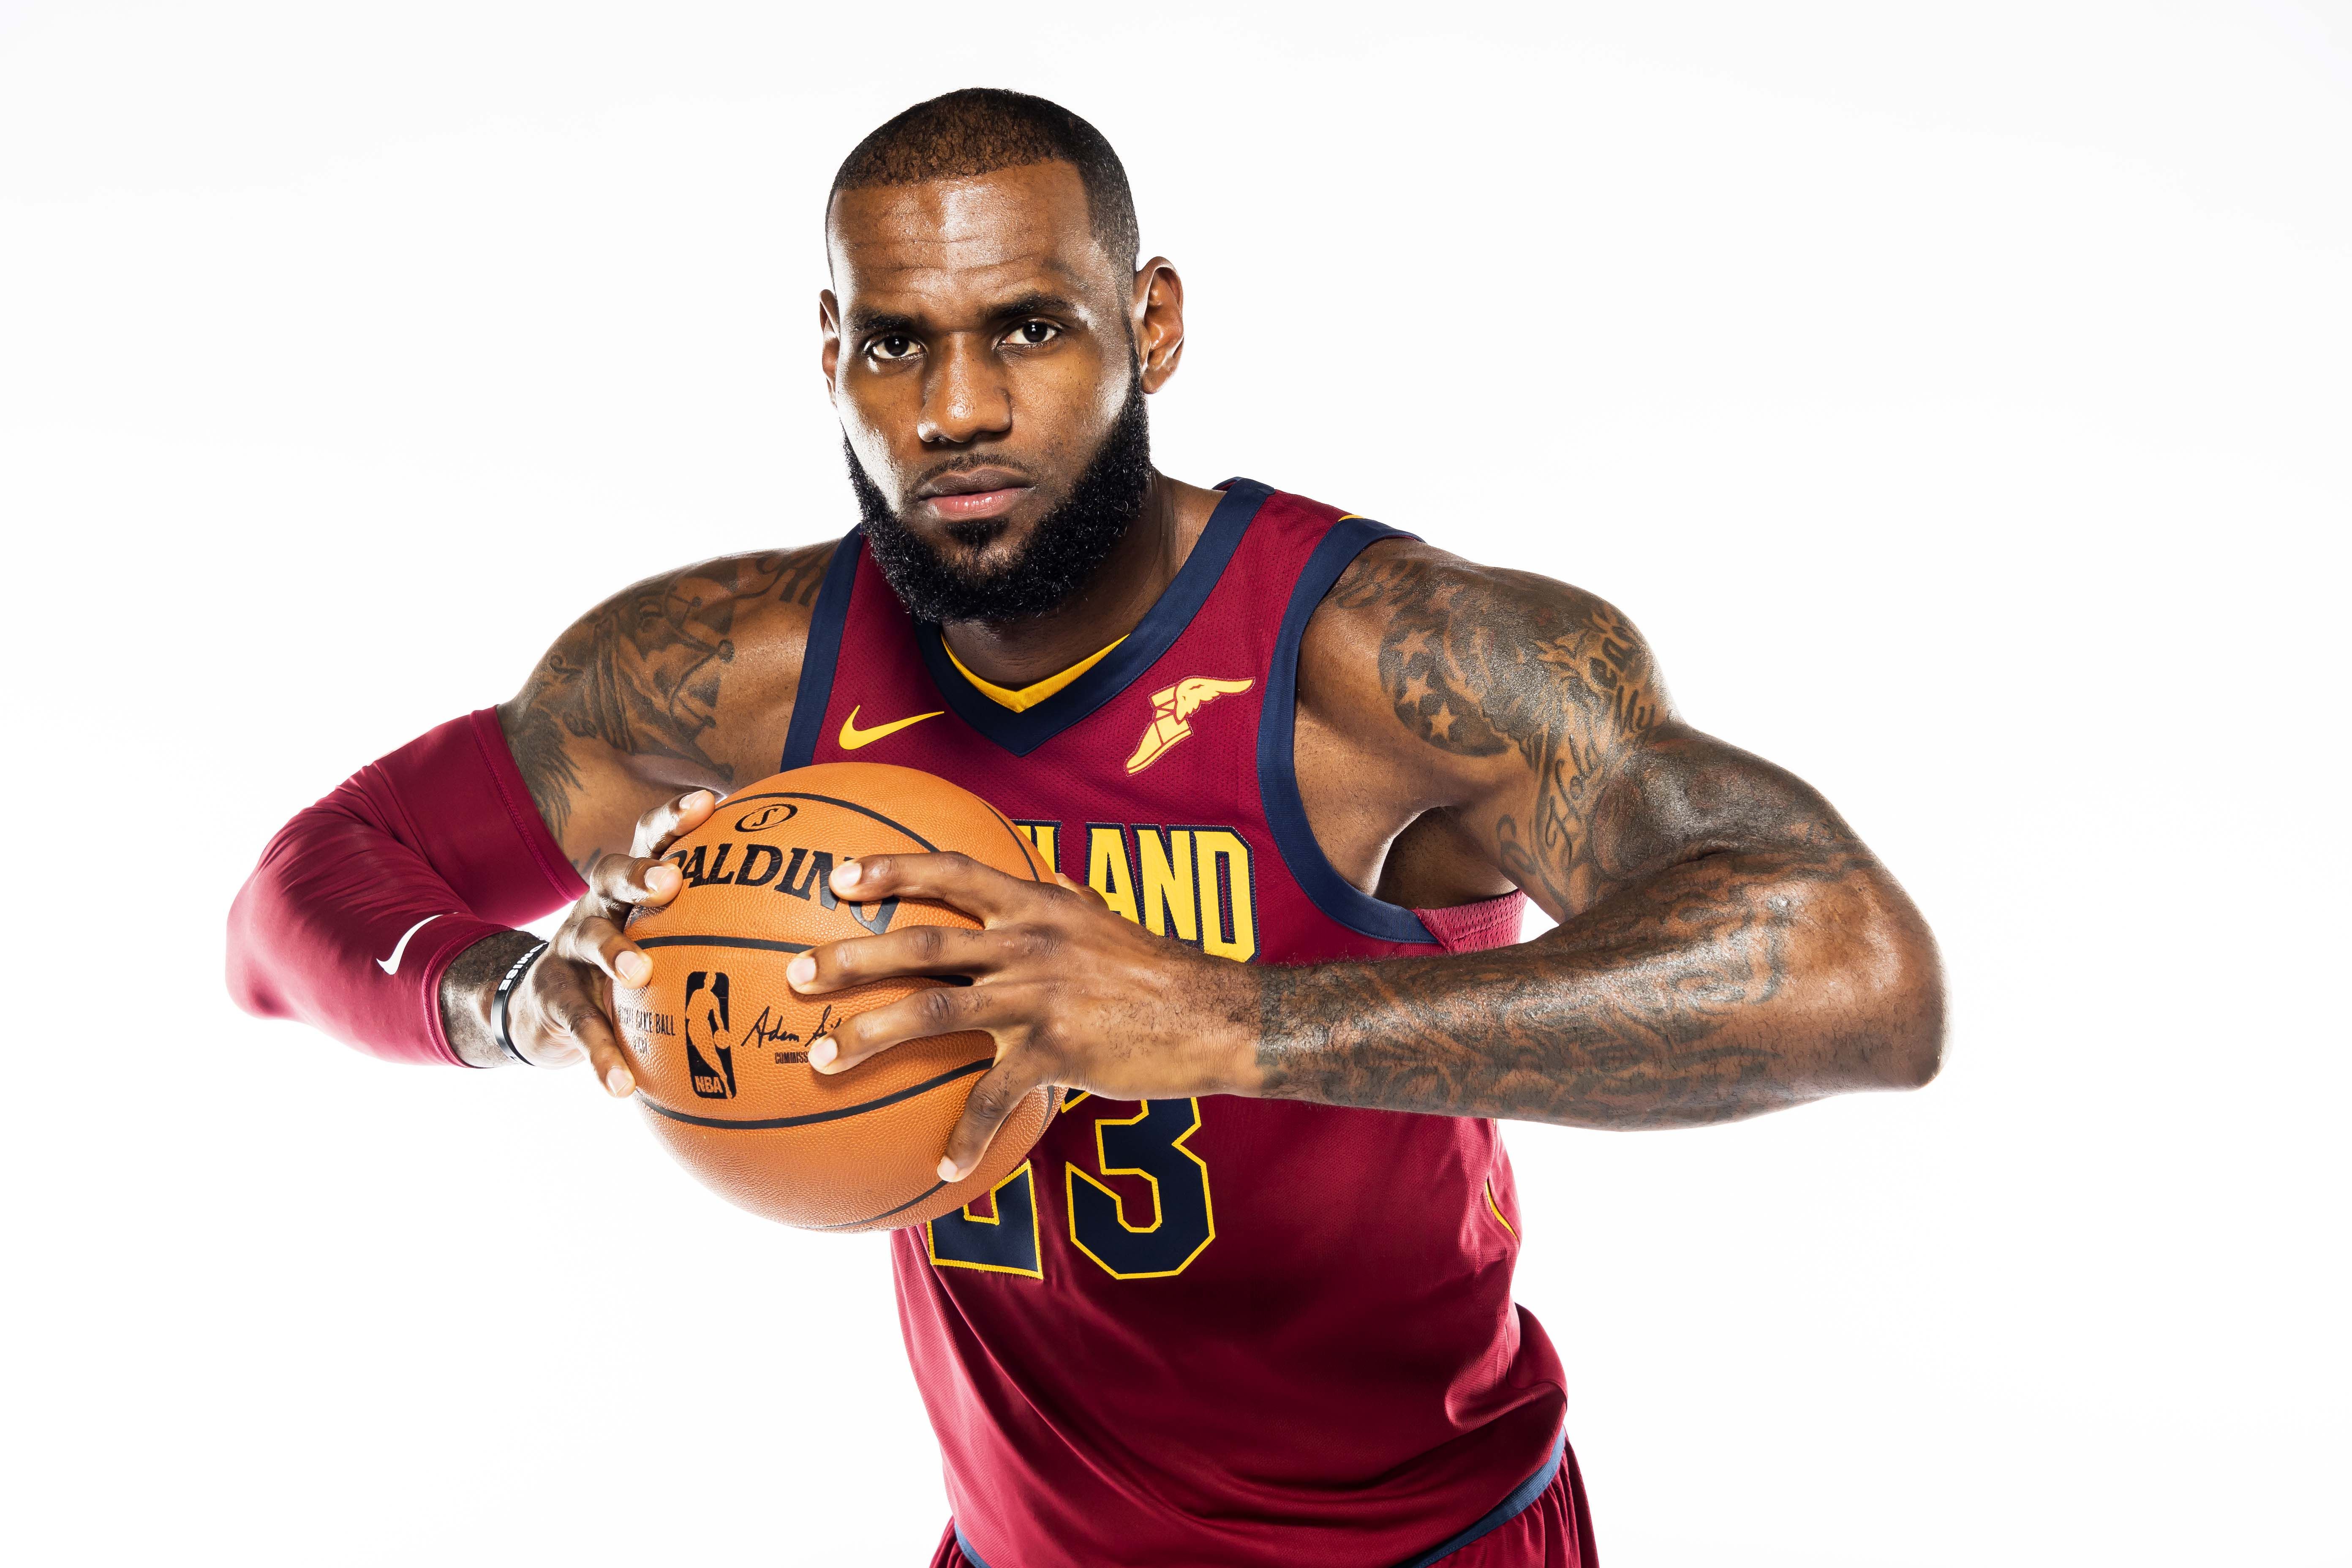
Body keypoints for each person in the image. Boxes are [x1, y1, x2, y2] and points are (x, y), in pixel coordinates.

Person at [226, 88, 1944, 1568]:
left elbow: (1856, 973)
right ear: (832, 355)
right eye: (897, 343)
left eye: (1030, 329)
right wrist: (520, 998)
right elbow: (292, 904)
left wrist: (1222, 1020)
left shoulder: (1382, 663)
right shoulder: (742, 671)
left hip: (1426, 1543)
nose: (956, 410)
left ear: (1153, 324)